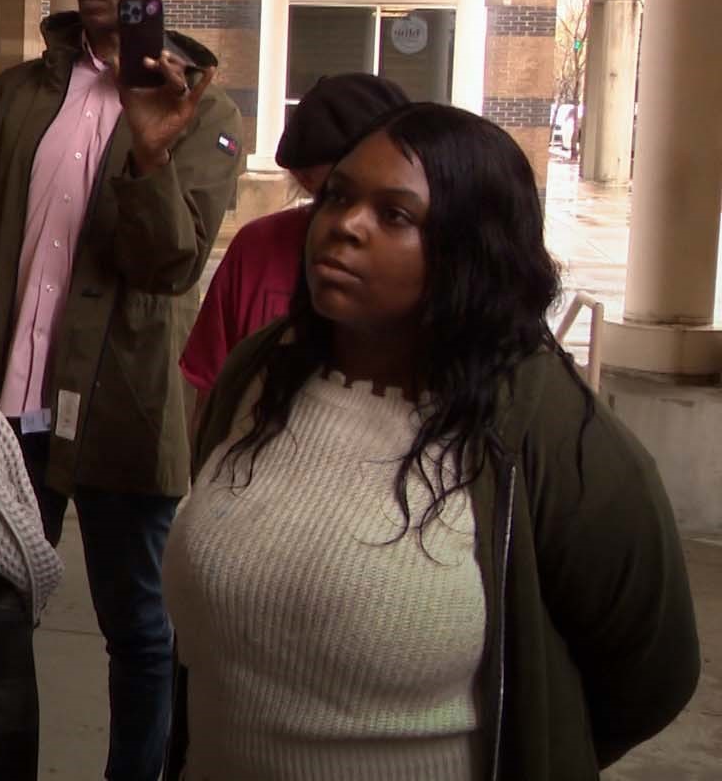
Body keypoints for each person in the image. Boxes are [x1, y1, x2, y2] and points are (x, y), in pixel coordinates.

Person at [162, 104, 700, 780]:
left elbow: (650, 673)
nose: (344, 227)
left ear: (471, 248)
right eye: (338, 197)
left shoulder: (548, 431)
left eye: (395, 216)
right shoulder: (256, 375)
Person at [0, 0, 243, 781]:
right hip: (7, 400)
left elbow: (172, 264)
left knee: (138, 625)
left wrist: (150, 151)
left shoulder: (206, 116)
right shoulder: (22, 92)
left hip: (119, 405)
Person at [179, 73, 408, 422]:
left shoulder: (442, 266)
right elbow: (211, 395)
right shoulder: (257, 248)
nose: (347, 225)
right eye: (331, 195)